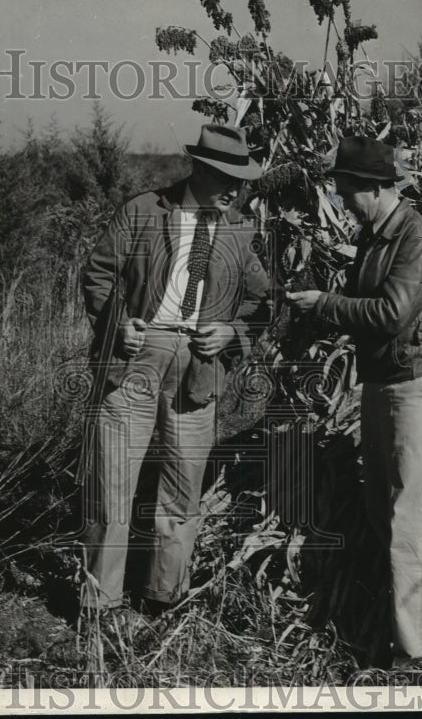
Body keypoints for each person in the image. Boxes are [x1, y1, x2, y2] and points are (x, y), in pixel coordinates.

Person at [79, 123, 271, 618]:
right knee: (111, 489)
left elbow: (262, 301)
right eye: (227, 175)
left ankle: (163, 602)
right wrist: (117, 325)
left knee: (182, 494)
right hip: (135, 362)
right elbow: (99, 274)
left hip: (199, 370)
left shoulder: (239, 228)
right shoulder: (142, 211)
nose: (237, 187)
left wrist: (232, 333)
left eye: (243, 178)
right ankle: (100, 608)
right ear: (199, 168)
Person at [286, 135, 422, 668]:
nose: (340, 200)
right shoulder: (377, 235)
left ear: (374, 189)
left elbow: (392, 314)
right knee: (386, 512)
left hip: (415, 389)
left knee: (408, 520)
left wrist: (325, 304)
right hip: (384, 384)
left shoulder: (416, 239)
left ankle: (418, 654)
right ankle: (398, 635)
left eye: (345, 190)